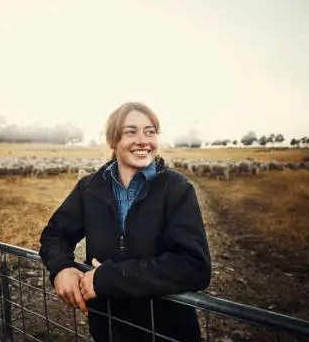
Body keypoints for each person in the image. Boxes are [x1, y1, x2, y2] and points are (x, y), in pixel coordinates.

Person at [39, 102, 212, 342]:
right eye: (131, 132)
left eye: (150, 132)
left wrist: (108, 279)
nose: (143, 140)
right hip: (108, 329)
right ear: (113, 141)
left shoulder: (176, 189)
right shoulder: (90, 188)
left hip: (166, 332)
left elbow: (194, 267)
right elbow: (54, 234)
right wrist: (62, 267)